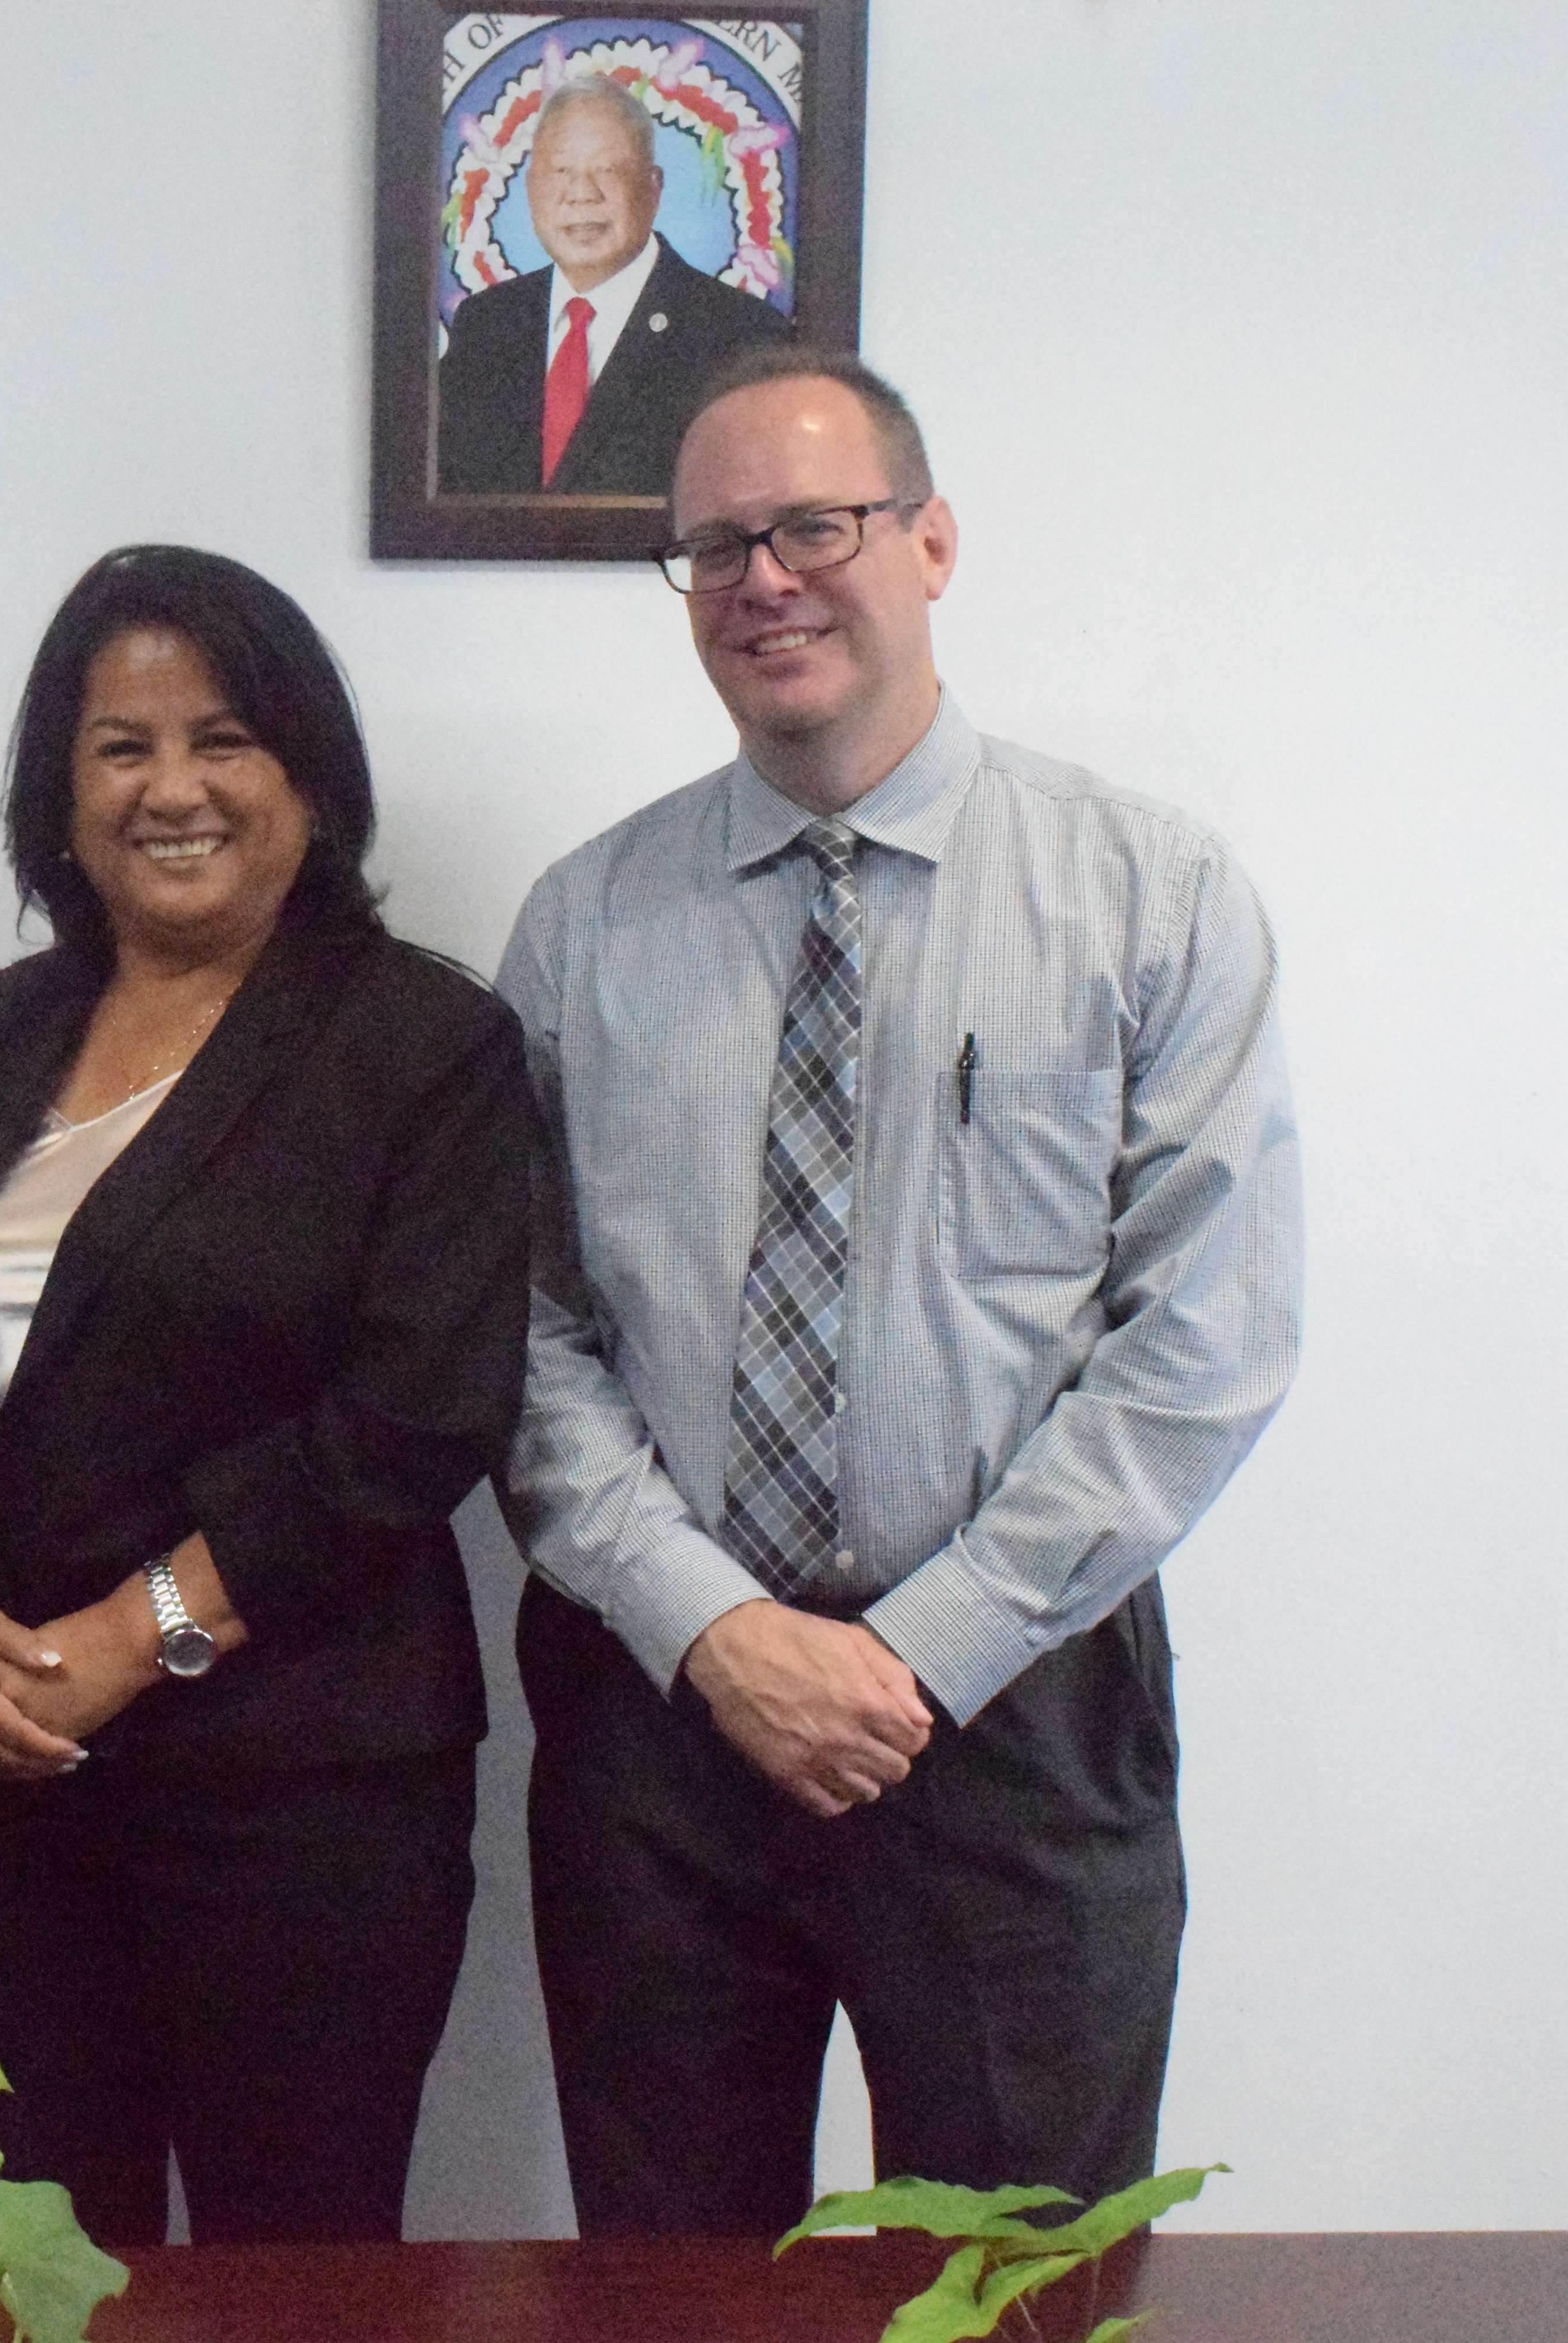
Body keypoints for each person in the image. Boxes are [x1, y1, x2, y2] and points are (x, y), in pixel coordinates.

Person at [496, 349, 1301, 2235]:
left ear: (929, 541)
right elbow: (521, 1336)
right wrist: (713, 1629)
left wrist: (911, 1648)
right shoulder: (583, 923)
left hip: (1012, 1706)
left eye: (810, 525)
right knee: (673, 2285)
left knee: (1017, 2283)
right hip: (661, 1713)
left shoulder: (1146, 893)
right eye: (709, 546)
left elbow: (1200, 1340)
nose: (760, 577)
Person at [0, 545, 533, 2245]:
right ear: (62, 787)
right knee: (26, 2274)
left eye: (223, 737)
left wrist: (132, 1638)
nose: (173, 788)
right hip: (17, 1787)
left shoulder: (422, 1046)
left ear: (309, 771)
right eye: (121, 746)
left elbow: (412, 1424)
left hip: (306, 1805)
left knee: (290, 2287)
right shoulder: (4, 1027)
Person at [435, 74, 788, 497]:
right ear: (530, 189)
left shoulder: (740, 336)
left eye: (607, 170)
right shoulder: (487, 324)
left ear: (654, 188)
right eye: (560, 171)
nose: (581, 194)